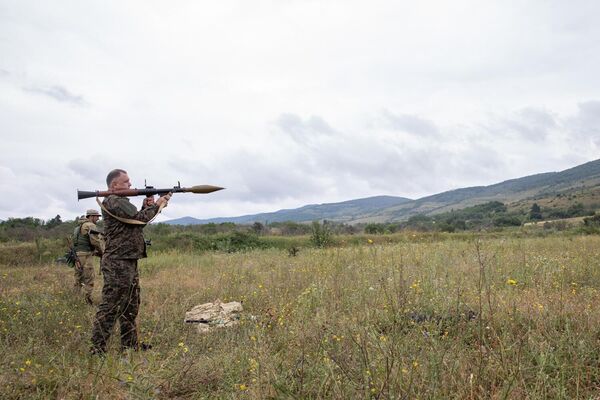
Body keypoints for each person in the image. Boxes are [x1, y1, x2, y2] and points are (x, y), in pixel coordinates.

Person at [90, 169, 171, 354]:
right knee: (111, 306)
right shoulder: (114, 200)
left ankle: (129, 345)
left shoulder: (120, 202)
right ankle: (97, 350)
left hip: (128, 259)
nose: (130, 184)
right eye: (126, 182)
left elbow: (136, 221)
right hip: (118, 261)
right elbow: (140, 220)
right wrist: (160, 202)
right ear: (114, 185)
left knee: (130, 306)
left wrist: (147, 206)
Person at [72, 209, 105, 304]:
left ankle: (75, 299)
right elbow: (95, 241)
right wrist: (101, 252)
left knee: (78, 277)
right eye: (96, 216)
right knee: (89, 278)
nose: (98, 218)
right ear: (91, 216)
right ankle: (87, 300)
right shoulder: (90, 225)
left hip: (78, 255)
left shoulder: (78, 227)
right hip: (86, 255)